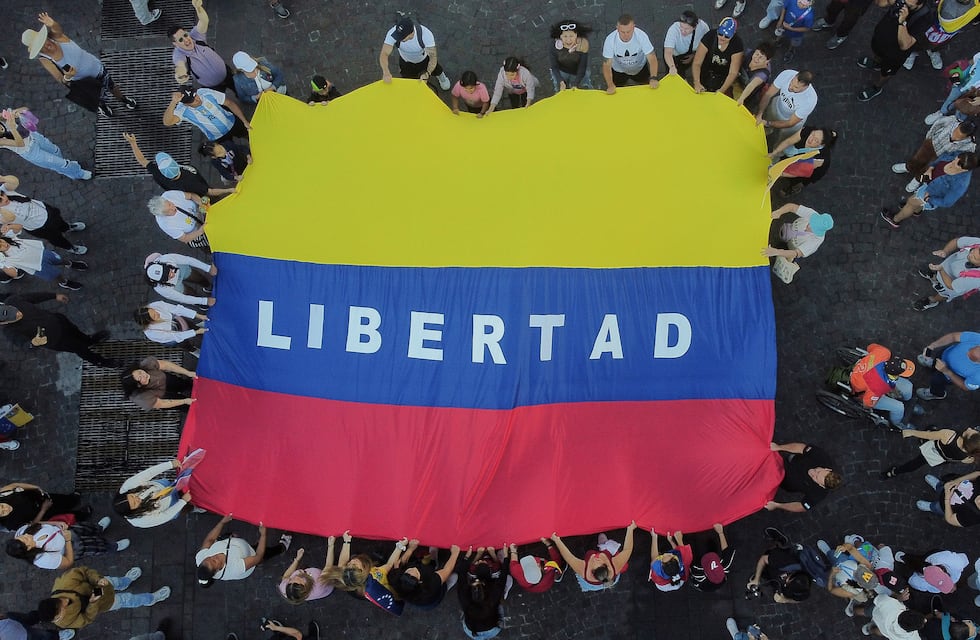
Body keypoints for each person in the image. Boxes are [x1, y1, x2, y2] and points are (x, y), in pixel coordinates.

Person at [22, 12, 137, 117]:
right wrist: (68, 76)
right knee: (97, 97)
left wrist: (52, 23)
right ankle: (103, 107)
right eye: (42, 47)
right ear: (40, 51)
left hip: (97, 69)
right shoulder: (45, 59)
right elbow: (61, 79)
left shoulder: (57, 38)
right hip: (86, 83)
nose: (47, 45)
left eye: (44, 41)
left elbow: (57, 29)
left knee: (112, 86)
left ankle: (123, 99)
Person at [36, 566, 170, 629]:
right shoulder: (63, 622)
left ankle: (126, 581)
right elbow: (86, 619)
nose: (65, 604)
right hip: (103, 603)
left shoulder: (63, 583)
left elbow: (84, 572)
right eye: (59, 614)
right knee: (127, 600)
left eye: (60, 603)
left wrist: (97, 579)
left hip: (98, 585)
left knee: (115, 582)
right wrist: (93, 603)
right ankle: (151, 599)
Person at [0, 293, 112, 367]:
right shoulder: (10, 332)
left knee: (77, 332)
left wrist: (54, 296)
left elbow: (35, 297)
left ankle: (90, 340)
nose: (18, 313)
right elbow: (25, 346)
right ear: (3, 322)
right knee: (80, 349)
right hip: (57, 340)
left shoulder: (13, 300)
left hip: (58, 320)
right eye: (13, 317)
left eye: (12, 310)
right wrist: (34, 343)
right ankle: (100, 361)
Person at [857, 0, 932, 101]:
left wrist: (902, 22)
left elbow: (905, 45)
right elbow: (879, 3)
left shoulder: (926, 17)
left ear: (919, 3)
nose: (903, 3)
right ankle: (877, 63)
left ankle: (877, 87)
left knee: (886, 72)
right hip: (880, 38)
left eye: (908, 4)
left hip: (895, 53)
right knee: (877, 53)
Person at [880, 152, 977, 228]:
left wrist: (929, 199)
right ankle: (916, 210)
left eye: (958, 164)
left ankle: (895, 219)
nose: (952, 162)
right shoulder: (956, 155)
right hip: (928, 185)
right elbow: (941, 158)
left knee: (910, 202)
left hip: (930, 194)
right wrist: (931, 168)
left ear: (965, 170)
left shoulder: (960, 184)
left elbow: (947, 202)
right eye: (956, 159)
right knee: (915, 205)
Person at [123, 133, 233, 198]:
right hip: (203, 194)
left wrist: (133, 143)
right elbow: (210, 191)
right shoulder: (190, 182)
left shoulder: (158, 173)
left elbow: (142, 160)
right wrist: (229, 190)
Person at [113, 451, 204, 528]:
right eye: (134, 503)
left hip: (164, 486)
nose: (137, 498)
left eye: (133, 496)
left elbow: (148, 473)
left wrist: (170, 464)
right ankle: (196, 508)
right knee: (186, 506)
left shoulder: (128, 486)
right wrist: (183, 501)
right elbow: (166, 516)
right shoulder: (140, 521)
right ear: (132, 511)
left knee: (189, 481)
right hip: (171, 504)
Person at [196, 514, 291, 587]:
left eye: (209, 557)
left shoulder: (201, 557)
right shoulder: (235, 568)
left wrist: (222, 522)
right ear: (217, 570)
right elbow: (258, 556)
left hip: (237, 546)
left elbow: (210, 540)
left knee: (256, 547)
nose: (214, 556)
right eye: (214, 561)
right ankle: (282, 547)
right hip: (250, 555)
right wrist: (263, 534)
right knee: (264, 554)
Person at [0, 175, 86, 255]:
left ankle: (67, 227)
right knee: (56, 238)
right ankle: (70, 247)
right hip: (39, 227)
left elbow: (14, 181)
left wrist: (3, 179)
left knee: (60, 222)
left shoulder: (6, 190)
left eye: (2, 194)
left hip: (45, 211)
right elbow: (12, 222)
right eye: (0, 200)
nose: (4, 198)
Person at [0, 108, 91, 180]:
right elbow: (20, 144)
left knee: (56, 151)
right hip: (30, 151)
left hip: (34, 137)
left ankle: (67, 171)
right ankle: (79, 173)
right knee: (64, 163)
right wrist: (12, 128)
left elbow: (25, 109)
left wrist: (16, 112)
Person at [6, 518, 128, 570]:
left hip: (66, 531)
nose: (26, 535)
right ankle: (113, 547)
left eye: (22, 537)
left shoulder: (21, 532)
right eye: (26, 540)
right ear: (28, 548)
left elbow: (37, 523)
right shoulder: (41, 560)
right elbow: (68, 562)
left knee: (87, 527)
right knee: (97, 546)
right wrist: (68, 540)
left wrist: (55, 523)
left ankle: (99, 528)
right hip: (72, 547)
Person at [892, 117, 976, 191]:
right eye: (955, 132)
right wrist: (929, 137)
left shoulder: (970, 146)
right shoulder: (952, 120)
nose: (954, 136)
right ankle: (908, 167)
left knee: (927, 170)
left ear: (967, 136)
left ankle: (917, 180)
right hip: (931, 145)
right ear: (959, 125)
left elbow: (961, 157)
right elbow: (937, 124)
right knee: (917, 159)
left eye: (958, 137)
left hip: (941, 157)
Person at [847, 344, 918, 429]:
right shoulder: (877, 386)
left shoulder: (884, 352)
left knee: (908, 387)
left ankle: (907, 401)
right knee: (899, 408)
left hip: (869, 376)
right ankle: (897, 423)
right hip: (867, 392)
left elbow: (870, 347)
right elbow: (867, 404)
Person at [551, 521, 637, 591]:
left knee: (586, 547)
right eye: (602, 564)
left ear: (591, 572)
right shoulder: (615, 566)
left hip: (592, 582)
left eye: (594, 565)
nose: (597, 559)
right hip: (606, 578)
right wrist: (630, 529)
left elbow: (569, 557)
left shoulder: (583, 570)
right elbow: (627, 550)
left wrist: (557, 540)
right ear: (608, 567)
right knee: (601, 538)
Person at [170, 0, 233, 90]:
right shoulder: (178, 55)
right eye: (181, 40)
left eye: (185, 35)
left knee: (238, 89)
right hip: (212, 87)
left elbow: (204, 21)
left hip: (226, 73)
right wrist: (180, 74)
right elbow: (180, 66)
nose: (186, 40)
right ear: (175, 44)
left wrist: (198, 8)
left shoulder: (195, 36)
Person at [379, 17, 451, 90]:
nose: (398, 38)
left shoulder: (426, 35)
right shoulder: (394, 33)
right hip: (405, 61)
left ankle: (441, 76)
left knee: (436, 69)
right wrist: (386, 72)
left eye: (402, 37)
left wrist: (427, 73)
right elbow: (384, 53)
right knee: (408, 78)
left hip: (424, 59)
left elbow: (433, 58)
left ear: (412, 33)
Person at [767, 441, 842, 512]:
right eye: (818, 471)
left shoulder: (818, 494)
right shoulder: (822, 457)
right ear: (827, 469)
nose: (812, 472)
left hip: (783, 480)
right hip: (792, 461)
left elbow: (802, 506)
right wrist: (779, 447)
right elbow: (801, 448)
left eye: (815, 477)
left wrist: (777, 505)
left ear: (822, 486)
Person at [909, 237, 980, 311]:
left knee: (943, 294)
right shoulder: (978, 244)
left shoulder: (977, 279)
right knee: (939, 276)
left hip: (951, 285)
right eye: (972, 250)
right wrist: (945, 251)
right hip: (944, 268)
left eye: (974, 258)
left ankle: (933, 300)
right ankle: (935, 278)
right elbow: (956, 242)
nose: (970, 254)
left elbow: (951, 286)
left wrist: (941, 270)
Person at [881, 426, 980, 478]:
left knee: (930, 432)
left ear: (967, 440)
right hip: (939, 458)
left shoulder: (948, 435)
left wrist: (911, 432)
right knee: (915, 464)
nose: (969, 428)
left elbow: (927, 435)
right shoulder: (970, 457)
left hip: (933, 447)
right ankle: (893, 473)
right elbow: (961, 461)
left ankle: (892, 472)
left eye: (970, 431)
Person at [163, 87, 250, 143]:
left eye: (195, 95)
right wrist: (173, 102)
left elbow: (229, 103)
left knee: (247, 135)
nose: (197, 99)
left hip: (232, 122)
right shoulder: (182, 110)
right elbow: (167, 122)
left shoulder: (205, 92)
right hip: (218, 137)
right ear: (185, 104)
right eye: (193, 101)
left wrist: (244, 121)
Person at [768, 126, 838, 196]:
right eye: (813, 134)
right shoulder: (808, 130)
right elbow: (789, 141)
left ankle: (792, 189)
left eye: (816, 140)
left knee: (798, 182)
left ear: (821, 144)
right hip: (797, 156)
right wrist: (775, 152)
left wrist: (776, 174)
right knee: (785, 163)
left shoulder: (819, 158)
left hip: (810, 170)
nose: (810, 139)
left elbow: (796, 172)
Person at [387, 543, 461, 609]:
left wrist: (411, 548)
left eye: (407, 573)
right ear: (420, 581)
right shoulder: (430, 587)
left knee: (427, 567)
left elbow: (401, 563)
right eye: (414, 576)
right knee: (453, 577)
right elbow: (447, 570)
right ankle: (446, 586)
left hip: (415, 587)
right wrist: (455, 553)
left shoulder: (395, 578)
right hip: (431, 599)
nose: (412, 570)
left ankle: (433, 560)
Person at [457, 546, 509, 638]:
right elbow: (503, 575)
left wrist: (467, 557)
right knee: (504, 586)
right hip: (476, 629)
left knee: (499, 597)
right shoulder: (464, 599)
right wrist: (505, 556)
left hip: (483, 629)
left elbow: (462, 575)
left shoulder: (492, 598)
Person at [0, 236, 86, 291]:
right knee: (56, 275)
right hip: (37, 267)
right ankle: (65, 283)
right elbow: (14, 273)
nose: (4, 245)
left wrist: (9, 226)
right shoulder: (5, 260)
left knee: (59, 260)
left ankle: (70, 264)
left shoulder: (10, 237)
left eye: (1, 241)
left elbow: (17, 226)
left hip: (41, 253)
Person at [601, 14, 659, 93]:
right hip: (619, 71)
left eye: (628, 32)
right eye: (622, 32)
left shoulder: (641, 36)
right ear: (617, 28)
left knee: (646, 89)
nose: (626, 35)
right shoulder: (610, 40)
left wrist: (653, 78)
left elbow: (652, 58)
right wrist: (610, 85)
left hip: (639, 69)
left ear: (633, 27)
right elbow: (606, 65)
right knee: (616, 90)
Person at [755, 70, 818, 142]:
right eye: (791, 82)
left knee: (783, 140)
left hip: (790, 120)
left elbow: (790, 123)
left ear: (805, 87)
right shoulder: (786, 74)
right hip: (776, 106)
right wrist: (760, 113)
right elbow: (768, 94)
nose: (790, 87)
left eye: (796, 87)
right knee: (765, 127)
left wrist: (768, 123)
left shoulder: (810, 100)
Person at [0, 483, 89, 532]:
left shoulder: (3, 495)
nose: (6, 509)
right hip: (43, 513)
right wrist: (43, 509)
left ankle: (73, 500)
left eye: (2, 506)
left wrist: (35, 487)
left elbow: (15, 485)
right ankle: (82, 515)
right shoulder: (11, 524)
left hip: (40, 498)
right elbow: (32, 525)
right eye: (3, 512)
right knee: (62, 514)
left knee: (60, 499)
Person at [916, 331, 980, 400]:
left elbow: (965, 386)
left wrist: (946, 371)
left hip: (947, 375)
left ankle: (936, 393)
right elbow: (953, 337)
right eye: (970, 349)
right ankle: (933, 364)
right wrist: (932, 346)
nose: (966, 352)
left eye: (970, 357)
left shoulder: (978, 376)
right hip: (944, 355)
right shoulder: (978, 339)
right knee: (936, 360)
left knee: (936, 381)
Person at [764, 202, 834, 263]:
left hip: (792, 247)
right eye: (811, 222)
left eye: (813, 228)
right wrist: (779, 212)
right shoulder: (812, 214)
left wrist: (776, 252)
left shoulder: (815, 241)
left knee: (785, 256)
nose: (808, 226)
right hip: (788, 229)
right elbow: (792, 207)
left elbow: (796, 253)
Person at [120, 357, 196, 411]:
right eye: (140, 378)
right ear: (138, 385)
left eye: (140, 372)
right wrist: (185, 401)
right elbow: (162, 403)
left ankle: (189, 386)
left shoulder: (145, 364)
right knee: (185, 405)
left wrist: (188, 373)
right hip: (159, 395)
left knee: (181, 383)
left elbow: (166, 365)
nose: (143, 375)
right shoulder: (140, 397)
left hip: (163, 379)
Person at [143, 252, 216, 307]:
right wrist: (205, 301)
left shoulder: (166, 258)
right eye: (167, 277)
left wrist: (208, 268)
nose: (172, 274)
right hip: (175, 287)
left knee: (199, 278)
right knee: (191, 294)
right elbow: (183, 298)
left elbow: (188, 260)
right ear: (161, 282)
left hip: (181, 269)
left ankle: (208, 286)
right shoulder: (162, 290)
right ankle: (201, 304)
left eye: (169, 270)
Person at [693, 18, 744, 94]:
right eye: (720, 34)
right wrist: (697, 82)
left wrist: (721, 90)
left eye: (727, 36)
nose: (722, 38)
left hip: (723, 75)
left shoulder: (737, 44)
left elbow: (733, 72)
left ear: (733, 35)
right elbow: (697, 62)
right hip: (706, 70)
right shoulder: (709, 36)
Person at [278, 538, 336, 604]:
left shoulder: (284, 588)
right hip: (327, 585)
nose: (295, 576)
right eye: (300, 580)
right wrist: (331, 545)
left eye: (290, 579)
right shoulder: (319, 585)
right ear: (305, 587)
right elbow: (328, 566)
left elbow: (286, 576)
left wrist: (297, 560)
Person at [134, 301, 207, 349]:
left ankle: (198, 328)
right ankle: (193, 351)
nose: (158, 313)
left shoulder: (155, 305)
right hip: (171, 336)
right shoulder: (152, 333)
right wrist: (196, 332)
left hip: (175, 321)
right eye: (154, 316)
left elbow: (177, 309)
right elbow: (176, 336)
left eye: (154, 311)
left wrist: (198, 316)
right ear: (149, 322)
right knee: (184, 344)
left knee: (191, 325)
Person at [852, 592, 927, 638]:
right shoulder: (912, 637)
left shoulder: (892, 605)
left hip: (877, 613)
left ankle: (852, 610)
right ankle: (869, 630)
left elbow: (879, 599)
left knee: (864, 611)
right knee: (880, 631)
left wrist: (898, 598)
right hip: (886, 630)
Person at [664, 11, 709, 81]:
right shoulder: (673, 30)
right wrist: (672, 67)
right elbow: (668, 52)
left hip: (690, 54)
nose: (683, 31)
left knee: (684, 68)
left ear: (695, 27)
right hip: (674, 56)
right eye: (681, 27)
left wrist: (694, 55)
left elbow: (706, 43)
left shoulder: (703, 27)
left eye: (687, 29)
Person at [549, 19, 593, 90]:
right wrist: (560, 81)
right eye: (565, 36)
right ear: (560, 36)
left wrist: (575, 84)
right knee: (560, 89)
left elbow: (582, 67)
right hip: (561, 72)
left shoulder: (583, 44)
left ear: (576, 35)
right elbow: (554, 67)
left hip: (579, 73)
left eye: (571, 36)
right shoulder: (554, 45)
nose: (568, 40)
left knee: (585, 87)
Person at [689, 524, 736, 592]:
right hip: (716, 574)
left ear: (705, 572)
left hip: (701, 585)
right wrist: (720, 533)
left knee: (694, 544)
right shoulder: (727, 565)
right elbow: (726, 551)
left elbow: (686, 559)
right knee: (712, 541)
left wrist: (679, 540)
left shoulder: (697, 573)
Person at [735, 43, 775, 111]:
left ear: (767, 61)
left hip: (745, 91)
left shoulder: (762, 74)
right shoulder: (749, 53)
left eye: (761, 58)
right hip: (737, 77)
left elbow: (751, 85)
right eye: (756, 54)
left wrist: (741, 98)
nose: (756, 59)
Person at [0, 611, 75, 640]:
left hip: (9, 621)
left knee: (29, 618)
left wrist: (3, 617)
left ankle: (46, 615)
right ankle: (58, 636)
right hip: (21, 635)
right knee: (42, 635)